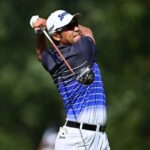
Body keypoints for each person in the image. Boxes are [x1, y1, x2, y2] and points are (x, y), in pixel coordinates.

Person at [30, 10, 110, 150]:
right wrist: (46, 25)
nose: (76, 28)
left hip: (99, 137)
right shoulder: (83, 49)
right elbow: (88, 32)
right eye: (69, 27)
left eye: (75, 23)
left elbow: (41, 54)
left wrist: (40, 33)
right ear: (55, 36)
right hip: (77, 140)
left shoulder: (53, 60)